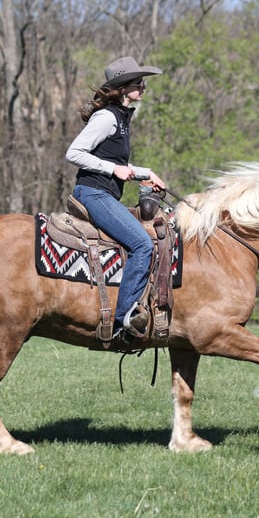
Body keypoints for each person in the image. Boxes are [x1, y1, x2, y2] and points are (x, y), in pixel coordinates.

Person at [66, 56, 167, 340]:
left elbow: (117, 163)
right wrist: (114, 169)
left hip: (104, 193)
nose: (143, 87)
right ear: (123, 88)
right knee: (142, 244)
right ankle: (124, 321)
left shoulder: (121, 119)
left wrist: (146, 173)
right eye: (139, 83)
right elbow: (74, 153)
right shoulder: (107, 117)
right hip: (93, 193)